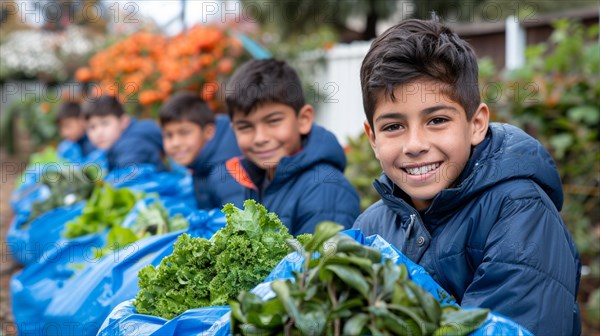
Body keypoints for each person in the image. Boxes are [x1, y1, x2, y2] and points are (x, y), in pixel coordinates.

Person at [352, 18, 581, 335]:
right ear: (373, 138)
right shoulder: (369, 227)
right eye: (393, 126)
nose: (415, 145)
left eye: (437, 120)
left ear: (476, 124)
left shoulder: (519, 211)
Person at [206, 59, 360, 235]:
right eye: (245, 127)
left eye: (273, 121)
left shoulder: (325, 189)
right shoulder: (259, 178)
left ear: (304, 119)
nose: (260, 138)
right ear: (233, 130)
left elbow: (318, 261)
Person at [159, 91, 241, 209]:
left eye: (184, 133)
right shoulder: (199, 165)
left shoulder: (224, 175)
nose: (175, 143)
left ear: (208, 132)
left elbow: (241, 223)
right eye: (168, 135)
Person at [82, 95, 165, 172]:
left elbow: (128, 177)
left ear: (124, 122)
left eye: (105, 124)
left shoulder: (130, 145)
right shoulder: (112, 144)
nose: (98, 132)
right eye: (92, 127)